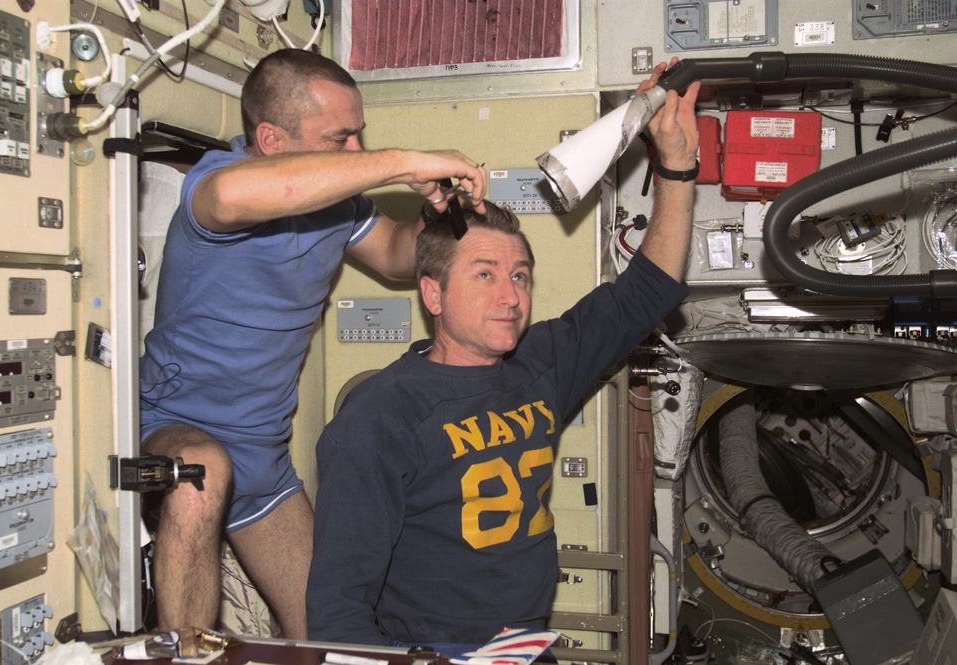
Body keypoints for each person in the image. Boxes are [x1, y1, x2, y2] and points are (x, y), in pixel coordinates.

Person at [306, 63, 701, 654]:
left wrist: (676, 164)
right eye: (484, 275)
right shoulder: (380, 417)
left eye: (519, 275)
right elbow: (339, 613)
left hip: (526, 650)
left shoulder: (541, 363)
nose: (511, 296)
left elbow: (648, 291)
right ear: (433, 294)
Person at [138, 47, 488, 640]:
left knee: (330, 632)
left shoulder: (339, 205)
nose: (356, 151)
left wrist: (434, 214)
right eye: (339, 138)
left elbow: (395, 256)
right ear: (270, 139)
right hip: (174, 428)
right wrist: (402, 162)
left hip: (262, 456)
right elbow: (233, 199)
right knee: (201, 472)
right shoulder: (215, 184)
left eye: (360, 135)